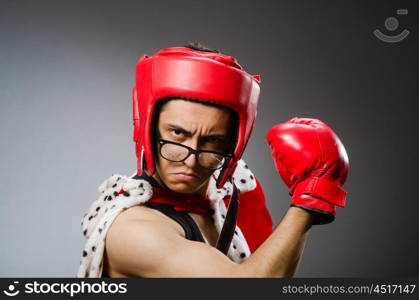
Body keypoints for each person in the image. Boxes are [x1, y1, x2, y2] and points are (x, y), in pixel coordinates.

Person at [77, 42, 349, 278]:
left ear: (233, 143)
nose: (191, 161)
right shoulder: (134, 230)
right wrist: (313, 194)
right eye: (177, 134)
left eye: (212, 141)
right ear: (147, 128)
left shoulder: (230, 196)